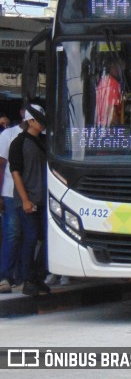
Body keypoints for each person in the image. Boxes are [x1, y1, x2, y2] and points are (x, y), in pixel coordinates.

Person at [9, 104, 49, 296]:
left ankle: (37, 277)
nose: (42, 124)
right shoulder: (19, 142)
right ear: (30, 121)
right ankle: (27, 280)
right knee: (30, 239)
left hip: (44, 200)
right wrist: (25, 200)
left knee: (47, 241)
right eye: (39, 120)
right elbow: (15, 172)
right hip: (28, 200)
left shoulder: (44, 142)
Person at [0, 110, 25, 293]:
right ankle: (5, 276)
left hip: (31, 192)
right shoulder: (8, 134)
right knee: (12, 234)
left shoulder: (44, 135)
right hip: (9, 192)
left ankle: (20, 276)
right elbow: (1, 165)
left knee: (28, 236)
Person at [95, 61, 122, 126]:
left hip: (98, 123)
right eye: (116, 68)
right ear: (111, 69)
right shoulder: (114, 84)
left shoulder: (101, 81)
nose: (119, 71)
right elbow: (112, 108)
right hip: (108, 125)